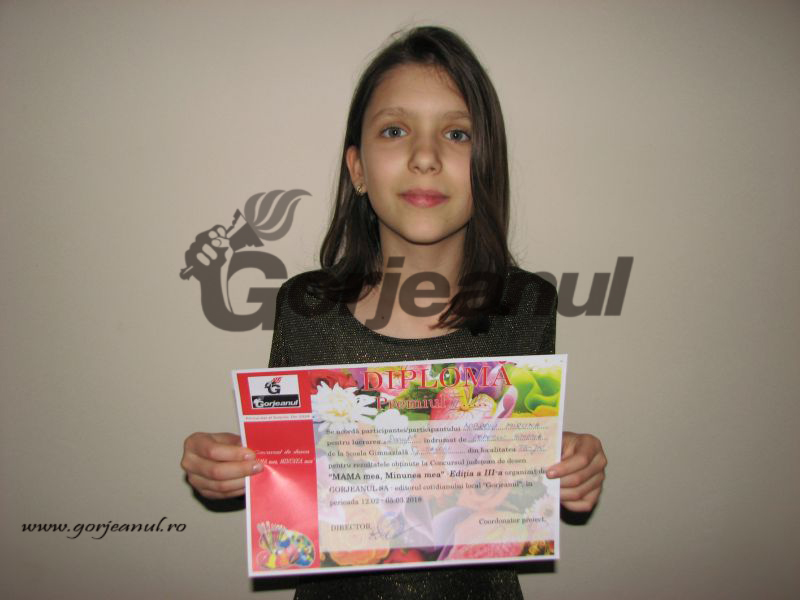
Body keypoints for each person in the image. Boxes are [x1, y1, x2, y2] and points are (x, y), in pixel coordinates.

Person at [181, 25, 607, 599]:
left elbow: (519, 476)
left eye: (457, 133)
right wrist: (231, 467)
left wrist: (569, 464)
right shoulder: (306, 309)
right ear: (357, 169)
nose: (425, 157)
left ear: (487, 166)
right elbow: (293, 472)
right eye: (395, 130)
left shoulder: (528, 307)